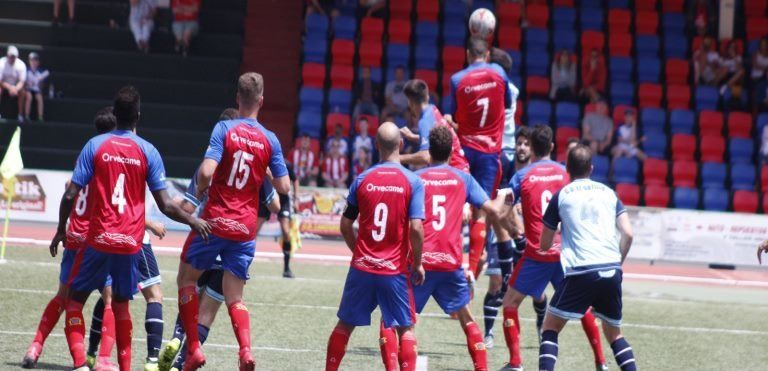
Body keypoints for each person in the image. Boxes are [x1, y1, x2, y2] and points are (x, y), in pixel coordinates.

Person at [49, 86, 210, 371]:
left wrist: (61, 229)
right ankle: (125, 367)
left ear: (116, 113)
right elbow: (165, 204)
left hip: (98, 240)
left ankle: (80, 364)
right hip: (129, 243)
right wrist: (194, 221)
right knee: (121, 306)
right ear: (137, 115)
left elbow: (71, 194)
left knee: (74, 303)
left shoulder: (95, 145)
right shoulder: (148, 151)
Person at [175, 72, 290, 371]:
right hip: (244, 228)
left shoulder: (224, 128)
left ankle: (194, 351)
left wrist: (201, 188)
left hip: (214, 222)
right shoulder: (270, 139)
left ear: (237, 98)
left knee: (186, 280)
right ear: (261, 101)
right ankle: (246, 351)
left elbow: (206, 171)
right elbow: (284, 188)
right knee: (235, 297)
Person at [379, 125, 497, 371]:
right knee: (467, 319)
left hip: (420, 263)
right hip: (450, 263)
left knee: (394, 320)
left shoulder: (415, 179)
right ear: (452, 152)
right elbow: (489, 209)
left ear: (429, 152)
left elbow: (405, 222)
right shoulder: (463, 178)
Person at [497, 125, 606, 371]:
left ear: (532, 148)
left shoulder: (522, 175)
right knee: (583, 306)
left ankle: (515, 362)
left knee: (510, 303)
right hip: (564, 254)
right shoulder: (565, 173)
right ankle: (601, 360)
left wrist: (514, 229)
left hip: (537, 253)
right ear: (553, 148)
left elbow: (502, 211)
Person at [21, 107, 117, 370]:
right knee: (111, 299)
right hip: (96, 239)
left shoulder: (85, 155)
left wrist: (62, 228)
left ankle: (35, 347)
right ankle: (100, 361)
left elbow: (69, 190)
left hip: (74, 236)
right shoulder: (109, 157)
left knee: (63, 297)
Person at [325, 122, 425, 371]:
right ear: (400, 145)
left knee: (344, 326)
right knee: (406, 329)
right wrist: (420, 263)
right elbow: (416, 228)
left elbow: (346, 225)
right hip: (394, 271)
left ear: (377, 146)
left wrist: (358, 252)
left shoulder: (362, 179)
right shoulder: (412, 182)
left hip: (362, 268)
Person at [538, 145, 636, 371]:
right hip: (611, 268)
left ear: (567, 169)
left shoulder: (561, 195)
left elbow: (544, 244)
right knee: (614, 334)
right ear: (591, 169)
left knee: (550, 328)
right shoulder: (609, 193)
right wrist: (617, 263)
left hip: (581, 270)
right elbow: (628, 234)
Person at [449, 36, 512, 280]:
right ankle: (472, 270)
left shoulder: (457, 79)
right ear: (486, 55)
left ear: (467, 55)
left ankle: (450, 263)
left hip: (464, 151)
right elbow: (505, 104)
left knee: (455, 208)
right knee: (481, 213)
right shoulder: (498, 72)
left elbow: (456, 114)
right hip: (489, 153)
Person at [482, 126, 531, 348]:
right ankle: (489, 333)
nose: (521, 147)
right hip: (502, 234)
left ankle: (541, 329)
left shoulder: (533, 175)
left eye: (526, 144)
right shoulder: (506, 170)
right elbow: (495, 210)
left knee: (536, 294)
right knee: (496, 283)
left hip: (527, 237)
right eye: (519, 143)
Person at [398, 79, 469, 171]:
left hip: (455, 172)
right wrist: (414, 137)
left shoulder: (424, 121)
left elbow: (425, 157)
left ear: (410, 103)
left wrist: (397, 158)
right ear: (427, 97)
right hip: (461, 169)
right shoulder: (433, 109)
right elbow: (437, 140)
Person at [491, 47, 520, 187]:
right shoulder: (513, 89)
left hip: (497, 151)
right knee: (505, 196)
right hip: (509, 150)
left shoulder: (496, 87)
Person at [0, 46, 27, 121]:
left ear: (17, 56)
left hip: (16, 87)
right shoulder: (1, 63)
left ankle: (20, 114)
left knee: (23, 92)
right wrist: (10, 88)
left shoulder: (21, 65)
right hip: (3, 86)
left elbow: (22, 81)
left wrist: (15, 89)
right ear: (7, 55)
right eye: (11, 56)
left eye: (14, 56)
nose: (12, 58)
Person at [23, 52, 49, 122]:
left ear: (38, 62)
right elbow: (24, 83)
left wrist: (40, 80)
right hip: (28, 89)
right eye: (32, 60)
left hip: (37, 90)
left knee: (39, 98)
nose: (34, 62)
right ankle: (26, 116)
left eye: (36, 60)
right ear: (29, 61)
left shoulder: (40, 71)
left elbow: (47, 73)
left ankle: (40, 117)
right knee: (29, 97)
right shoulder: (26, 71)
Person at [751, 38, 768, 112]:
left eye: (765, 45)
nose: (763, 46)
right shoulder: (756, 54)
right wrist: (765, 69)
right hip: (756, 77)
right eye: (762, 44)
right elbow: (755, 65)